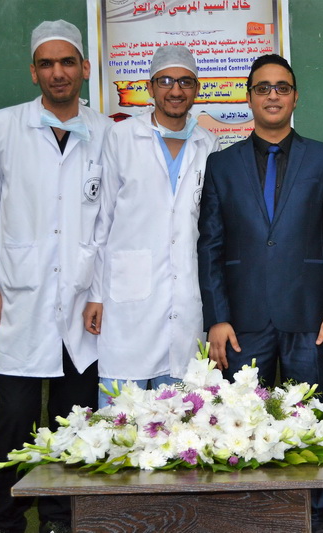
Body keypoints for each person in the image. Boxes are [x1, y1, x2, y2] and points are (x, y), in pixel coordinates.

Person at [197, 54, 323, 533]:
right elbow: (210, 244)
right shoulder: (220, 164)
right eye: (262, 87)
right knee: (241, 431)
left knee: (313, 428)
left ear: (295, 97)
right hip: (241, 323)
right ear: (249, 97)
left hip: (312, 319)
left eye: (281, 87)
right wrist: (216, 317)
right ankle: (251, 520)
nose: (272, 95)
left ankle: (317, 519)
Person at [0, 20, 110, 533]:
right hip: (19, 296)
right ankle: (5, 519)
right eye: (46, 64)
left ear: (84, 68)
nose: (57, 72)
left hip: (82, 300)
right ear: (33, 72)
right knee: (14, 419)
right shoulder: (4, 127)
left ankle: (60, 518)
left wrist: (99, 292)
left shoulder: (105, 133)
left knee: (74, 419)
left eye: (67, 62)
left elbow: (109, 221)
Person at [83, 46, 219, 406]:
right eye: (165, 81)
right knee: (119, 420)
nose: (175, 90)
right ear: (150, 87)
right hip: (127, 303)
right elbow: (102, 220)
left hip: (186, 299)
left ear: (197, 89)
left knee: (180, 421)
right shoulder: (122, 136)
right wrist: (95, 294)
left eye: (185, 82)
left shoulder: (209, 144)